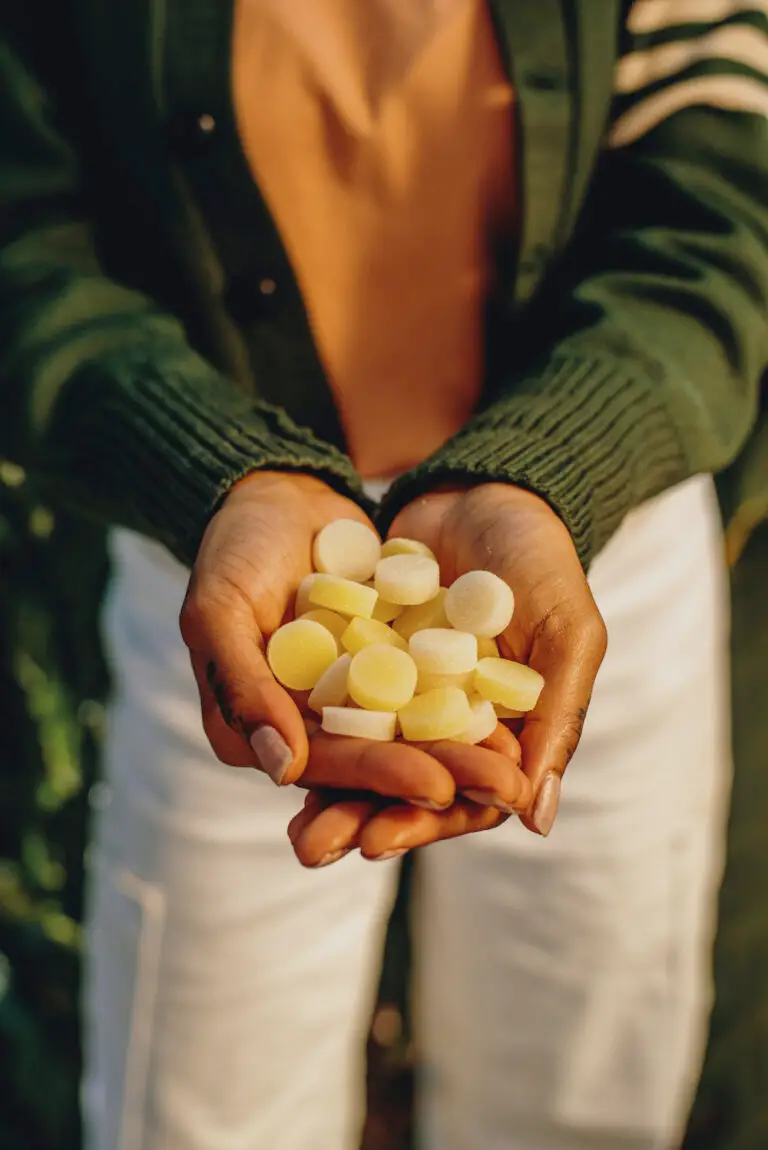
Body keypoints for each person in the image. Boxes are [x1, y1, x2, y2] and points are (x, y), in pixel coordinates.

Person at [1, 1, 767, 1148]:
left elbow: (720, 211)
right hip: (225, 583)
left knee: (579, 1104)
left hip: (587, 545)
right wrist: (217, 471)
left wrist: (552, 466)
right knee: (199, 1118)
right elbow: (24, 243)